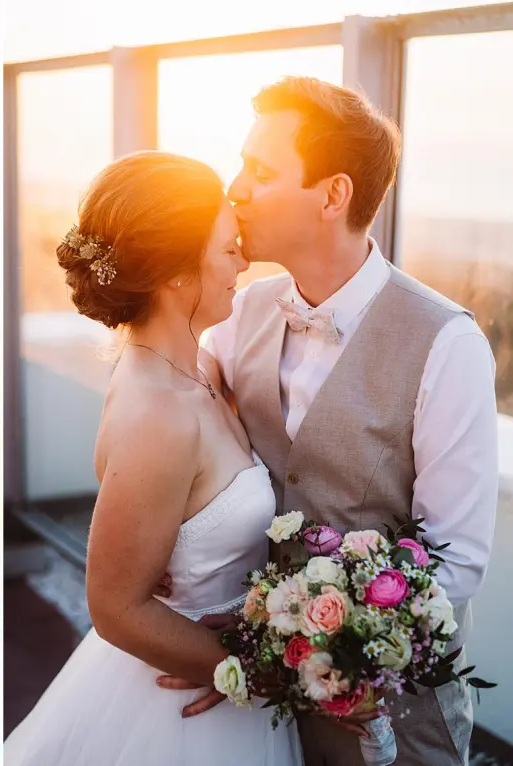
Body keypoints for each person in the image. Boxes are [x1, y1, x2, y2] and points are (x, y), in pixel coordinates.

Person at [157, 77, 498, 766]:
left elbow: (454, 561)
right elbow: (180, 428)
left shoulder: (447, 343)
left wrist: (302, 647)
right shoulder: (238, 315)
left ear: (333, 195)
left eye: (260, 171)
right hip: (258, 711)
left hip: (391, 717)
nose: (235, 189)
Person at [3, 151, 302, 765]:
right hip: (181, 704)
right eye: (228, 249)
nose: (243, 263)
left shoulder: (202, 366)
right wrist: (250, 671)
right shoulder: (158, 414)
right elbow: (115, 607)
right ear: (175, 273)